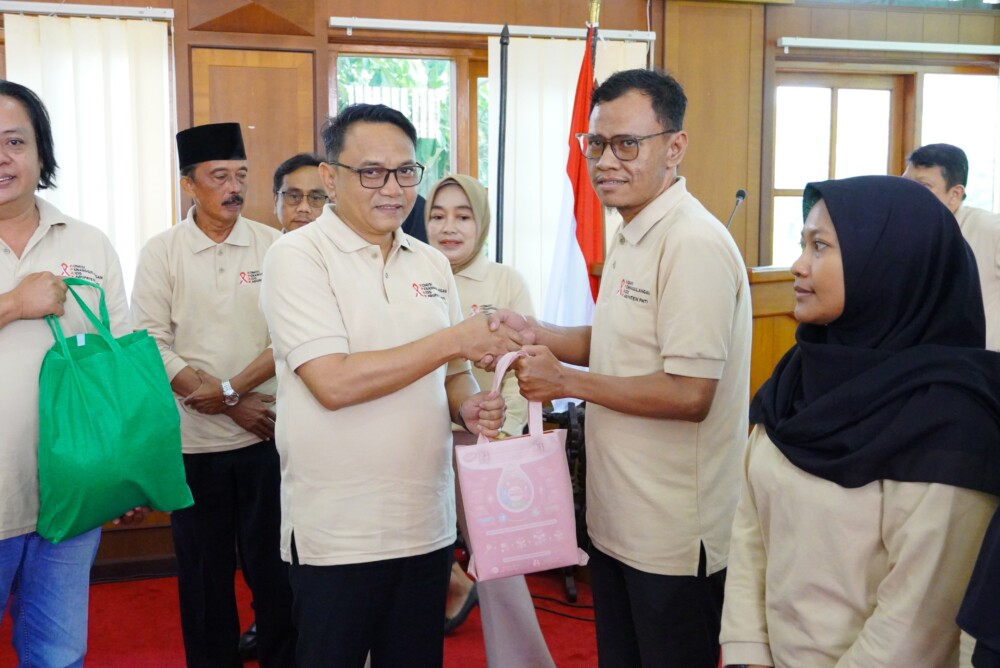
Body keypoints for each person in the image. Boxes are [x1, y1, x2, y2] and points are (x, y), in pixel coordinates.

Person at [490, 69, 752, 667]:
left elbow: (691, 394)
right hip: (618, 519)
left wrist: (565, 382)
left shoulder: (692, 243)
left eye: (627, 144)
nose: (606, 161)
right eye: (597, 144)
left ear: (675, 147)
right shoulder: (634, 230)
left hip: (670, 535)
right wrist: (537, 333)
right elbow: (615, 343)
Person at [259, 103, 523, 668]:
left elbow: (454, 375)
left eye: (405, 171)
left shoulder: (429, 263)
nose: (393, 188)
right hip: (339, 532)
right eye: (371, 172)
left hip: (426, 525)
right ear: (331, 177)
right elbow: (332, 382)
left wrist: (468, 407)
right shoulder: (297, 257)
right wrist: (453, 340)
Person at [719, 175, 1000, 668]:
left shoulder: (951, 421)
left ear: (888, 263)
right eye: (803, 244)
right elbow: (750, 533)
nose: (798, 265)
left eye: (820, 246)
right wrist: (750, 654)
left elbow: (916, 622)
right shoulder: (798, 375)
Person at [131, 122, 296, 668]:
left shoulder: (274, 247)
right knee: (204, 582)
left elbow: (289, 336)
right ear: (189, 184)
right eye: (219, 176)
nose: (234, 187)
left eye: (241, 175)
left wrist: (230, 391)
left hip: (266, 436)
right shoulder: (163, 252)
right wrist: (229, 403)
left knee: (275, 575)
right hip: (194, 445)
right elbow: (149, 341)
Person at [0, 80, 146, 666]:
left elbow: (118, 364)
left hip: (72, 495)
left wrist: (127, 467)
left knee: (58, 657)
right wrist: (15, 303)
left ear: (42, 153)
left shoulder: (88, 242)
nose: (2, 158)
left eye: (15, 142)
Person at [424, 173, 554, 667]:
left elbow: (523, 365)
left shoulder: (504, 280)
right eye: (438, 216)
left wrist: (506, 434)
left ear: (482, 223)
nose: (449, 227)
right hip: (417, 439)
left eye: (463, 216)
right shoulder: (411, 275)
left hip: (484, 442)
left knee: (501, 568)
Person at [903, 143, 1000, 350]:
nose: (908, 196)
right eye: (905, 185)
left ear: (954, 195)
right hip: (927, 357)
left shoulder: (990, 228)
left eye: (922, 187)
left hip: (984, 361)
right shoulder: (906, 233)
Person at [273, 152, 328, 233]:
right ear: (276, 202)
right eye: (294, 196)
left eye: (315, 198)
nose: (303, 208)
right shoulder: (264, 241)